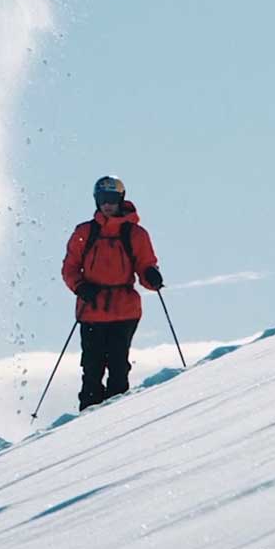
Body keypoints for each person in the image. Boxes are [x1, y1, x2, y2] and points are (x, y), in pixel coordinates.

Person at [61, 175, 164, 410]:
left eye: (112, 199)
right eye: (102, 199)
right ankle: (90, 426)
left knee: (118, 368)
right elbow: (69, 268)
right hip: (93, 310)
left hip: (122, 311)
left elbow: (145, 265)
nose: (107, 204)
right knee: (92, 371)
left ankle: (113, 426)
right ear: (96, 201)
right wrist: (80, 287)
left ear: (120, 199)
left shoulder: (135, 234)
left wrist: (152, 276)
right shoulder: (85, 233)